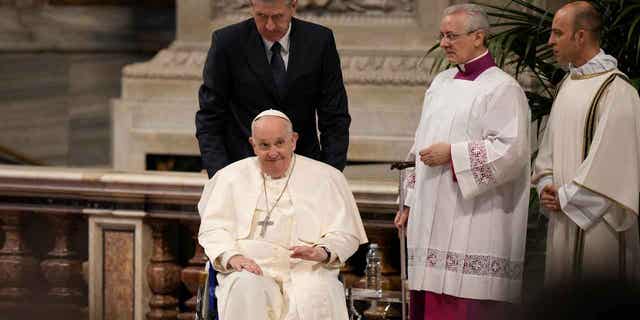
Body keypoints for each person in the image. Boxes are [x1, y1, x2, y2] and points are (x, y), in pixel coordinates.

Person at [393, 4, 531, 320]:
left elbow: (511, 151)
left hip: (476, 216)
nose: (443, 43)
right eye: (441, 35)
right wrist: (409, 203)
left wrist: (453, 155)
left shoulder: (503, 88)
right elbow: (419, 144)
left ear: (478, 37)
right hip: (431, 213)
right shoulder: (440, 83)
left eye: (451, 36)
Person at [197, 109, 367, 320]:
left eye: (280, 143)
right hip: (250, 268)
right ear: (253, 144)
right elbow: (213, 228)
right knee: (245, 288)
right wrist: (233, 256)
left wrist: (323, 251)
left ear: (293, 140)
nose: (273, 152)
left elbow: (345, 233)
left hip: (307, 270)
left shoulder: (326, 177)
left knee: (317, 293)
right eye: (264, 145)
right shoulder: (229, 178)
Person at [533, 1, 640, 288]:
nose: (550, 41)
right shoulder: (567, 85)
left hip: (599, 224)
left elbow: (615, 165)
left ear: (580, 36)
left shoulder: (618, 90)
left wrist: (566, 195)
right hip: (562, 218)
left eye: (557, 33)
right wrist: (546, 185)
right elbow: (547, 152)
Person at [195, 0, 350, 178]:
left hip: (305, 171)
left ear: (293, 6)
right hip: (242, 173)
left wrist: (329, 174)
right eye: (261, 16)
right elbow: (209, 117)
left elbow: (335, 117)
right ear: (252, 6)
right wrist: (221, 176)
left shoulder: (320, 41)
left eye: (277, 17)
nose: (269, 26)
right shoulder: (227, 43)